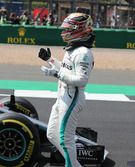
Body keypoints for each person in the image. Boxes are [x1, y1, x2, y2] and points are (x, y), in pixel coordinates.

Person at [38, 13, 95, 167]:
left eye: (68, 29)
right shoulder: (72, 49)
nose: (64, 32)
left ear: (79, 29)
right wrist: (50, 60)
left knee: (65, 138)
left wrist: (56, 74)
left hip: (72, 97)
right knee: (52, 134)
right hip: (63, 97)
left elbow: (81, 80)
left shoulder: (83, 53)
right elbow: (66, 69)